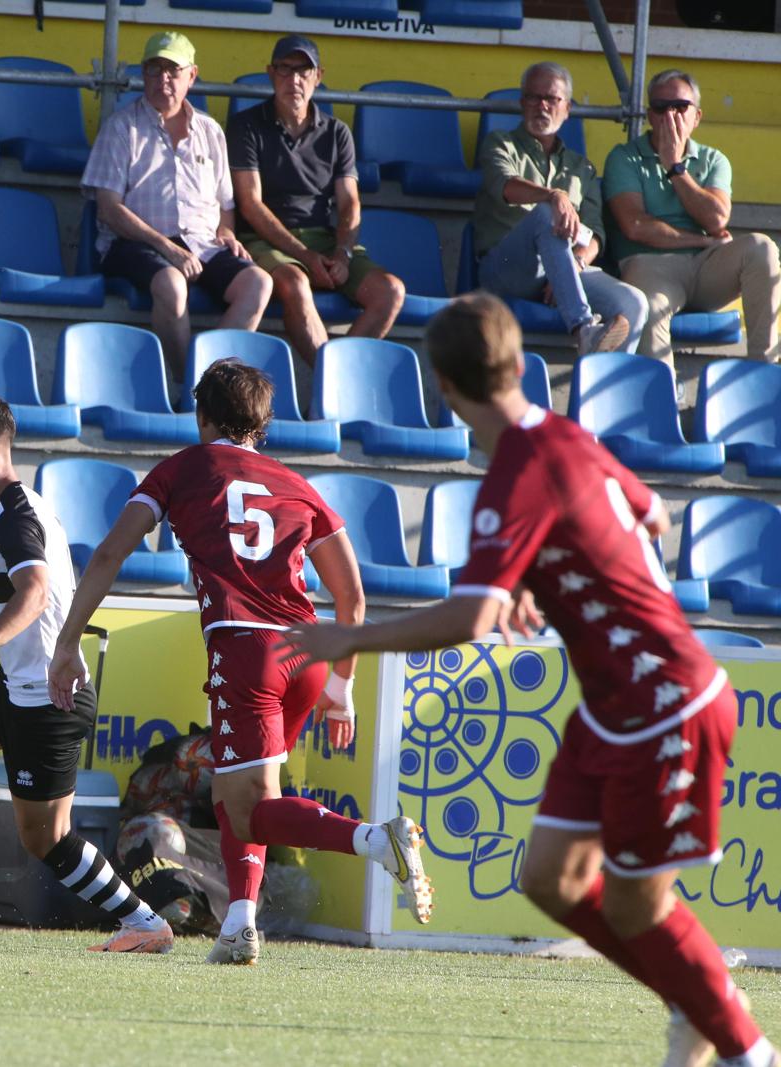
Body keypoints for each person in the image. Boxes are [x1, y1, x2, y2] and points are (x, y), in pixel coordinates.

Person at [278, 293, 773, 1067]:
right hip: (615, 708)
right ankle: (694, 995)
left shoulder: (516, 467)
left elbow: (470, 621)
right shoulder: (563, 433)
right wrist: (551, 574)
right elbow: (655, 520)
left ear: (443, 384)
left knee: (640, 905)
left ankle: (745, 1044)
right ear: (516, 359)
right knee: (549, 878)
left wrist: (350, 637)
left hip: (665, 702)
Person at [46, 360, 432, 966]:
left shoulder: (183, 467)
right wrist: (341, 687)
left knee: (248, 804)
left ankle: (373, 840)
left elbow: (109, 554)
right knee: (238, 797)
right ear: (264, 423)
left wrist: (69, 640)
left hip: (247, 650)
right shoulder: (297, 484)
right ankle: (241, 925)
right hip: (308, 651)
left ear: (202, 416)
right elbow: (352, 597)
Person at [0, 395, 175, 953]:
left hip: (48, 700)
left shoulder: (15, 516)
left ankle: (147, 924)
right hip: (21, 684)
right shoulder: (13, 509)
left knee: (45, 840)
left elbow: (35, 593)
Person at [83, 31, 272, 383]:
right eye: (153, 70)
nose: (162, 79)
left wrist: (227, 232)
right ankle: (192, 389)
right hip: (135, 244)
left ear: (192, 75)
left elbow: (225, 204)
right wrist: (167, 248)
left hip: (201, 243)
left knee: (258, 284)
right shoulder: (121, 127)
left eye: (172, 70)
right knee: (172, 283)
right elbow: (109, 209)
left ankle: (210, 383)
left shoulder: (210, 130)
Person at [228, 34, 406, 364]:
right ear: (270, 73)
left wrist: (343, 252)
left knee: (391, 292)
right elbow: (250, 205)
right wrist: (307, 258)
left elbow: (350, 204)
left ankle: (335, 380)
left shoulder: (337, 133)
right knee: (296, 284)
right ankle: (334, 389)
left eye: (303, 71)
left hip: (324, 240)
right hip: (264, 241)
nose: (294, 80)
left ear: (318, 77)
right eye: (284, 69)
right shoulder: (245, 126)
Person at [604, 69, 780, 369]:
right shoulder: (624, 157)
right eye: (661, 107)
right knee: (648, 306)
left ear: (696, 117)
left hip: (705, 266)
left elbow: (716, 218)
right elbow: (635, 226)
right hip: (649, 264)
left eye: (680, 107)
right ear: (649, 115)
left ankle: (764, 374)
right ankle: (662, 398)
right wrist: (702, 240)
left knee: (761, 247)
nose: (670, 115)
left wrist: (675, 166)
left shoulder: (713, 159)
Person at [476, 61, 644, 356]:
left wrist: (574, 264)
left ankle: (599, 393)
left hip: (564, 268)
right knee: (545, 213)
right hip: (507, 268)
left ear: (567, 108)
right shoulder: (500, 143)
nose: (541, 105)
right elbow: (504, 186)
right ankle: (583, 329)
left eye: (551, 99)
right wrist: (554, 196)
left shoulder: (583, 168)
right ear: (522, 103)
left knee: (634, 303)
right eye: (533, 97)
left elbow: (595, 234)